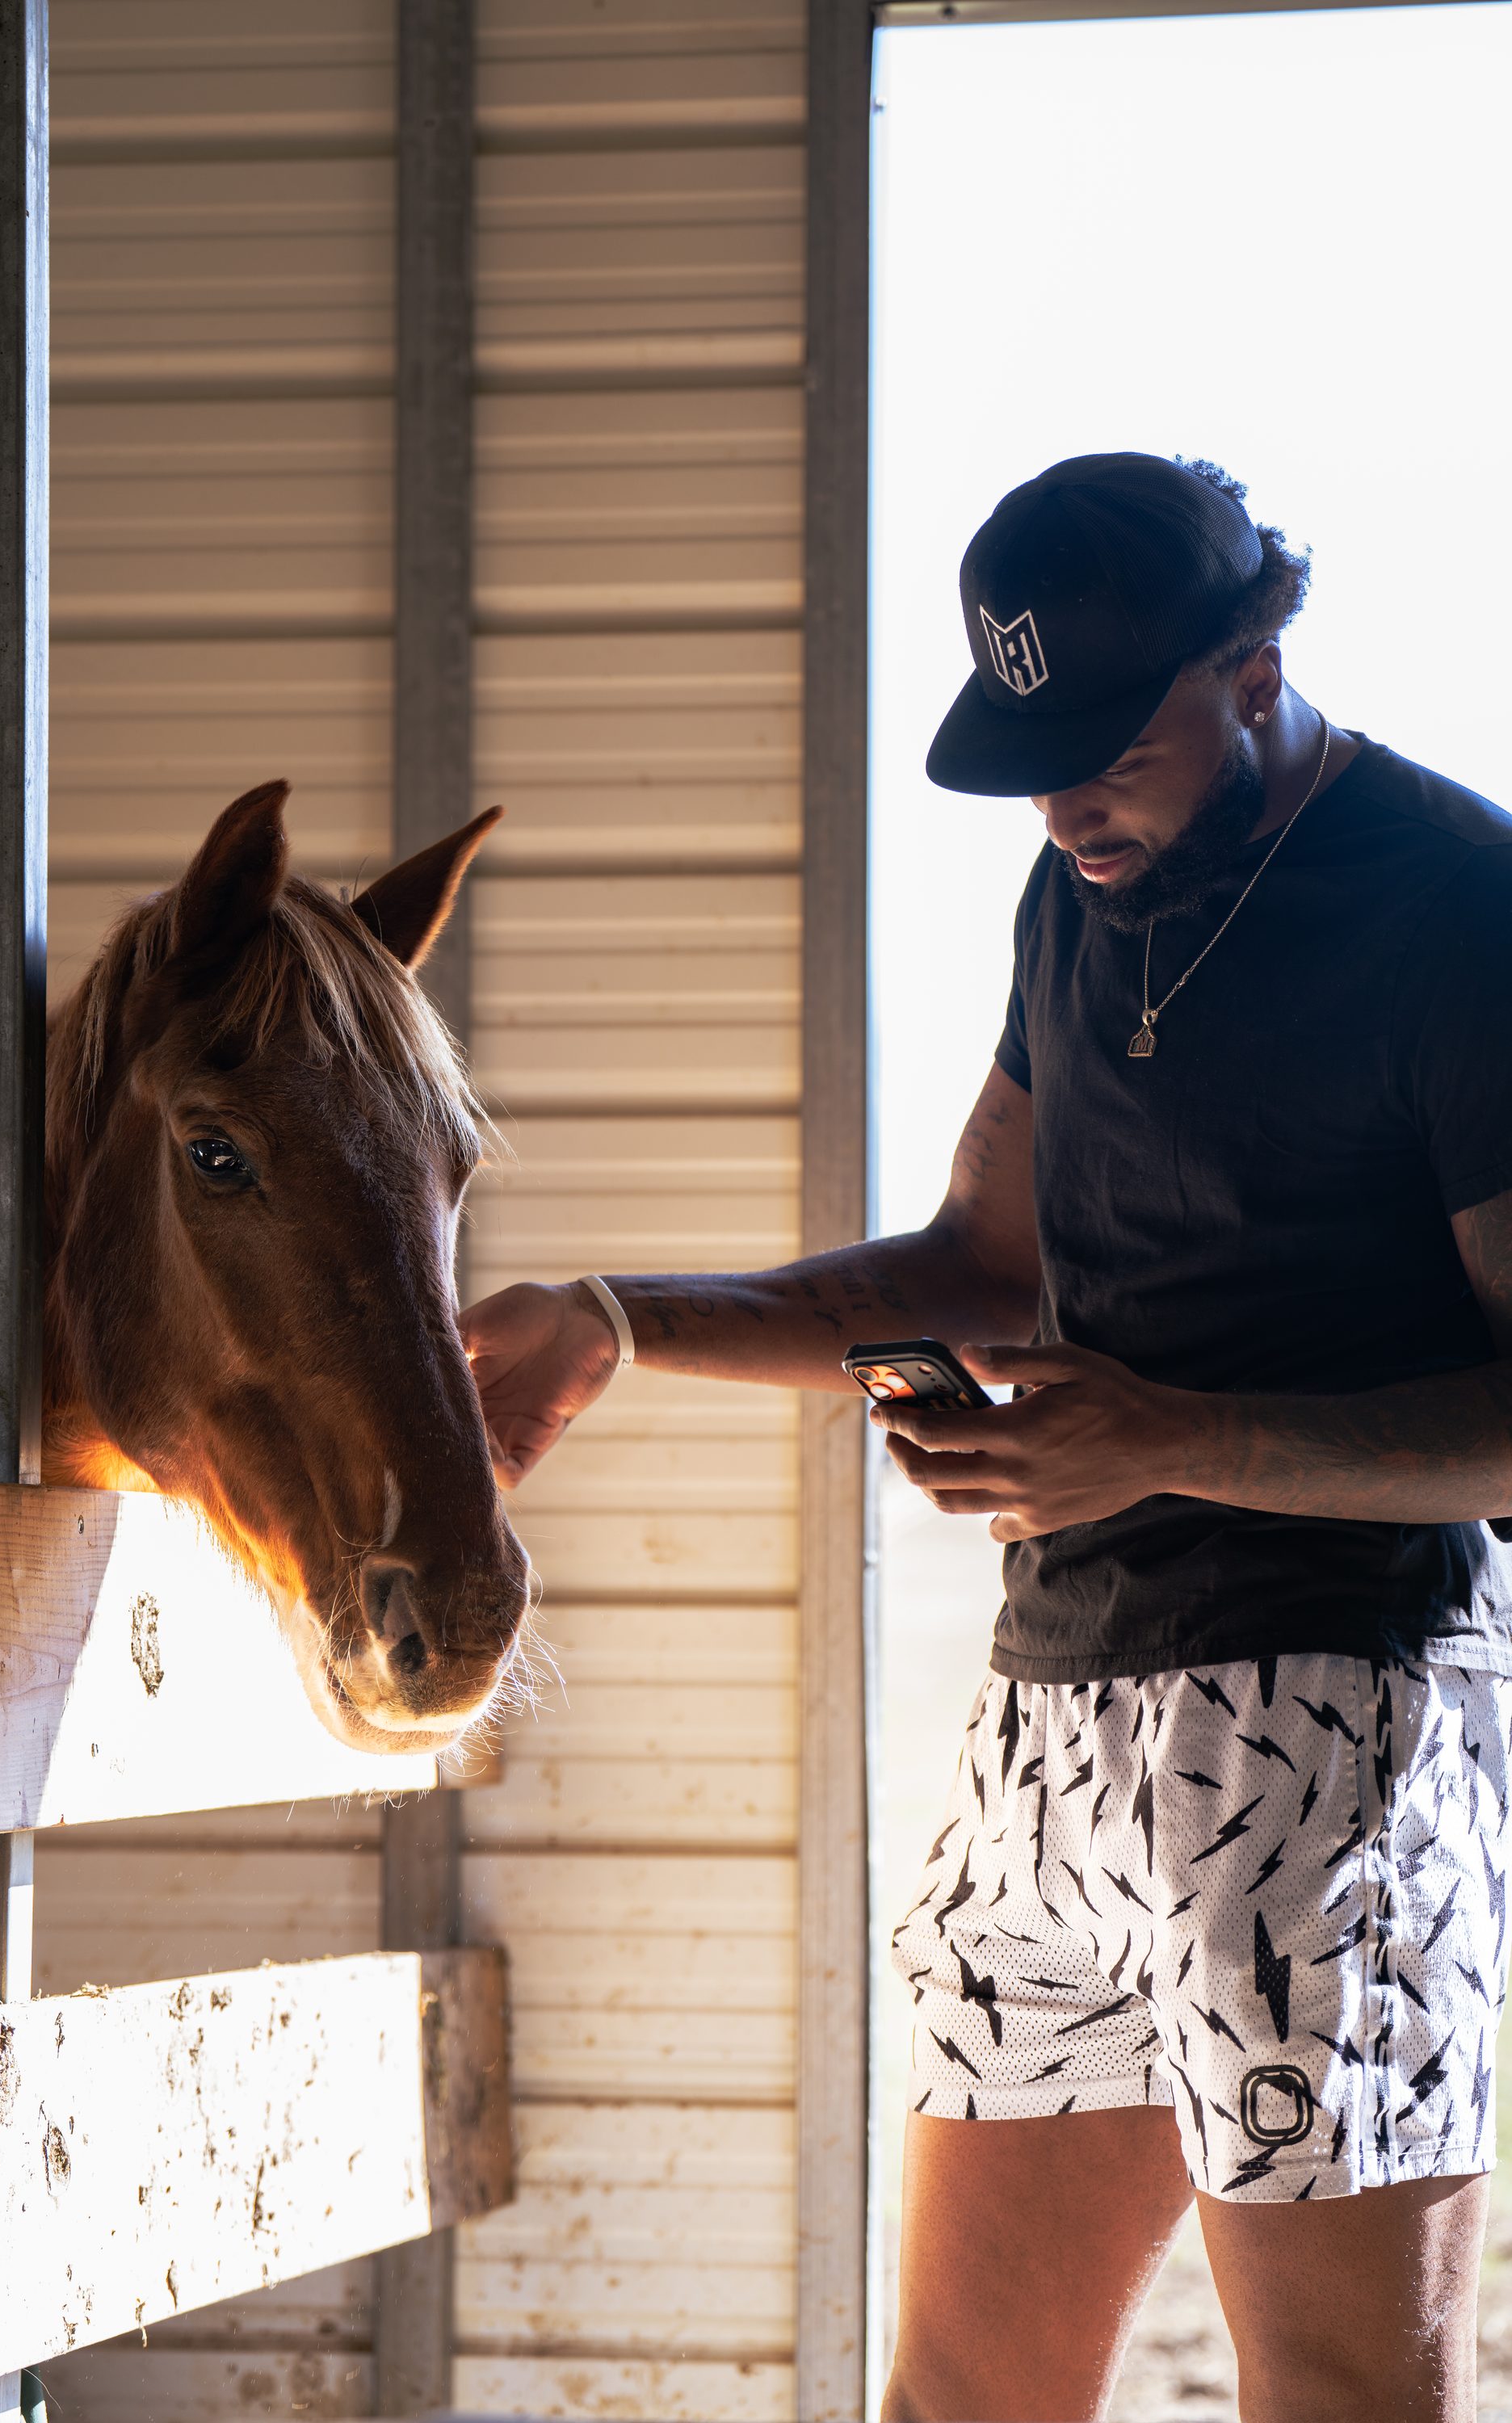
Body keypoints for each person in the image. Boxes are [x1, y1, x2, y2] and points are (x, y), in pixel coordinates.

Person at [458, 451, 1512, 2423]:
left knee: (1345, 2403)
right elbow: (974, 1260)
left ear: (1256, 665)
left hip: (1329, 1723)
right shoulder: (1073, 896)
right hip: (1052, 1732)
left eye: (1103, 749)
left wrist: (1173, 1437)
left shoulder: (1459, 909)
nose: (1061, 806)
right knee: (956, 2402)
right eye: (1026, 760)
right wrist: (614, 1322)